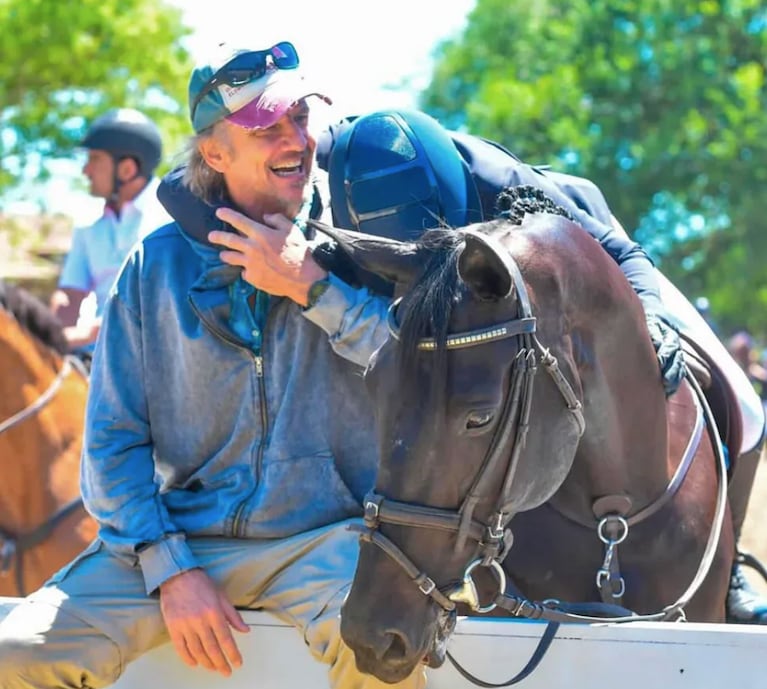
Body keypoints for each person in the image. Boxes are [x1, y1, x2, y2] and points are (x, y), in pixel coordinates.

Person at [0, 40, 424, 689]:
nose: (296, 140)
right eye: (268, 126)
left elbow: (418, 382)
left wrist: (312, 286)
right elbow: (111, 445)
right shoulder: (151, 268)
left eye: (300, 119)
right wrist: (170, 567)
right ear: (215, 153)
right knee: (15, 652)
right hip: (179, 537)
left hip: (326, 542)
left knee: (384, 653)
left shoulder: (360, 248)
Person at [312, 108, 767, 623]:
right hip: (470, 288)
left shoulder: (505, 187)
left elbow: (624, 250)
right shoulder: (338, 176)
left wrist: (654, 318)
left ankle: (728, 571)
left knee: (747, 406)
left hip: (588, 252)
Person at [49, 108, 171, 352]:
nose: (86, 171)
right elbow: (70, 296)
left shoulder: (169, 218)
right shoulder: (87, 224)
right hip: (96, 355)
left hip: (155, 356)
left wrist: (89, 332)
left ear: (127, 169)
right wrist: (47, 333)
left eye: (94, 159)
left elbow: (164, 304)